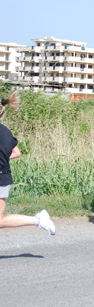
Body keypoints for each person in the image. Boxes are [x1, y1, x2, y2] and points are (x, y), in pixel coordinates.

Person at [0, 92, 55, 235]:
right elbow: (16, 153)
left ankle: (38, 220)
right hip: (4, 177)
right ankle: (38, 220)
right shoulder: (6, 131)